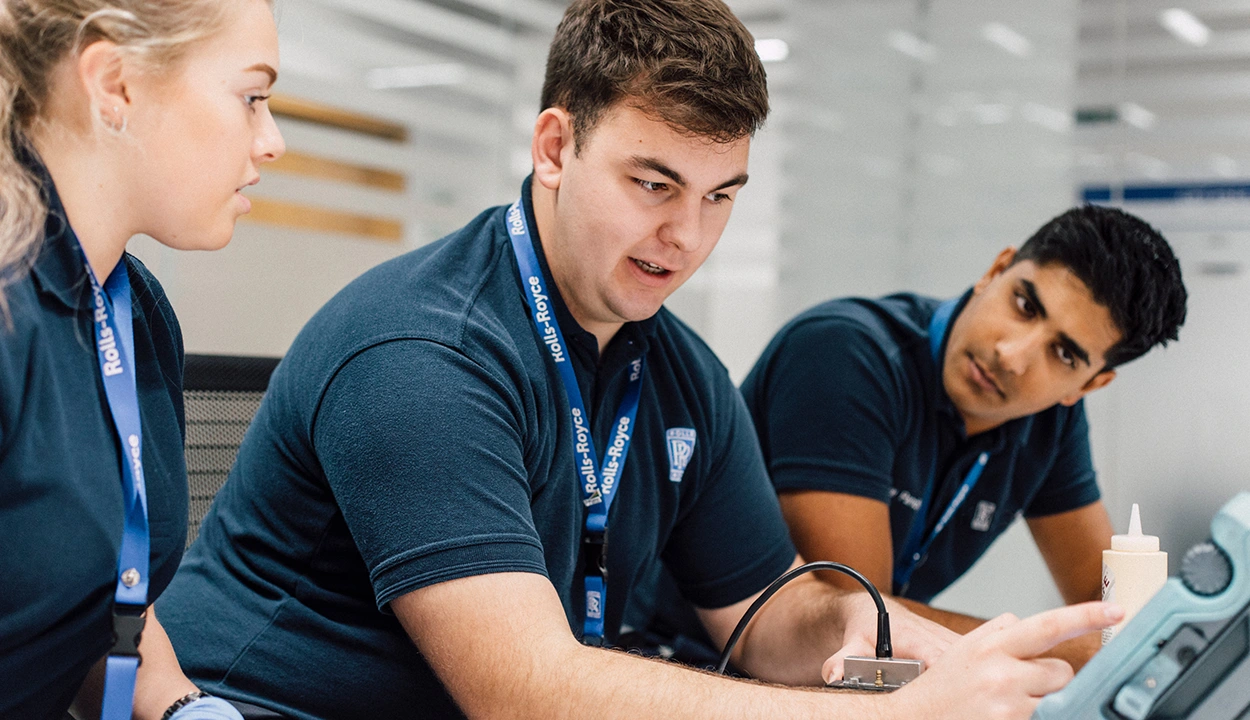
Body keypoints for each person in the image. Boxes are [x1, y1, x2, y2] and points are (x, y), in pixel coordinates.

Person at [157, 1, 1120, 718]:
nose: (684, 236)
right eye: (653, 183)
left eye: (719, 196)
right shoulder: (426, 351)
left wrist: (871, 638)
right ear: (554, 146)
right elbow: (520, 687)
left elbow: (770, 614)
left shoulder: (679, 374)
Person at [735, 206, 1187, 670]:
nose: (1012, 356)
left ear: (1087, 386)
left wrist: (1124, 641)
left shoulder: (1051, 421)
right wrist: (1069, 650)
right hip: (704, 667)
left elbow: (1106, 604)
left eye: (1063, 354)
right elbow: (867, 627)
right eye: (1025, 305)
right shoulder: (844, 354)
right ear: (995, 271)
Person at [0, 0, 285, 718]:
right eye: (251, 99)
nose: (271, 141)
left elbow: (94, 591)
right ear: (114, 83)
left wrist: (179, 705)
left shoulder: (134, 310)